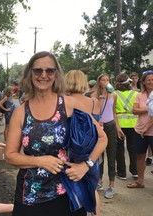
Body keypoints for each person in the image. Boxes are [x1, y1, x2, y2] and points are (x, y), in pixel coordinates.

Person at [5, 51, 107, 216]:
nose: (43, 75)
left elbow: (102, 138)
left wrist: (85, 166)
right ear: (30, 73)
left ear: (56, 74)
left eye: (49, 71)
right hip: (30, 196)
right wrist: (40, 161)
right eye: (38, 70)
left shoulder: (70, 105)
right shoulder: (21, 112)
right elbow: (10, 156)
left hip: (68, 193)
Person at [65, 69, 101, 216]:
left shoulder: (64, 101)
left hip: (72, 149)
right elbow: (98, 124)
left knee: (73, 185)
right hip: (93, 148)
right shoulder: (94, 102)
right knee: (92, 186)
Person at [91, 73, 119, 199]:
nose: (106, 82)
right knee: (99, 155)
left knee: (112, 154)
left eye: (108, 80)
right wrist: (100, 98)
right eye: (103, 80)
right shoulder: (94, 96)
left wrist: (118, 128)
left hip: (110, 125)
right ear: (99, 81)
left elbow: (113, 112)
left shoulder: (113, 95)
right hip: (99, 126)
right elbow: (94, 111)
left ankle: (112, 185)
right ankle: (99, 181)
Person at [127, 70, 153, 188]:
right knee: (140, 156)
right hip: (139, 130)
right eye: (148, 80)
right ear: (143, 82)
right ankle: (140, 181)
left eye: (152, 80)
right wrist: (149, 109)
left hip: (151, 131)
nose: (151, 82)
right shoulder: (140, 95)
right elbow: (134, 110)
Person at [114, 73, 138, 180]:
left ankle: (121, 173)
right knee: (133, 148)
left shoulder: (114, 94)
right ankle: (135, 171)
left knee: (119, 149)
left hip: (119, 124)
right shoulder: (135, 94)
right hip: (134, 123)